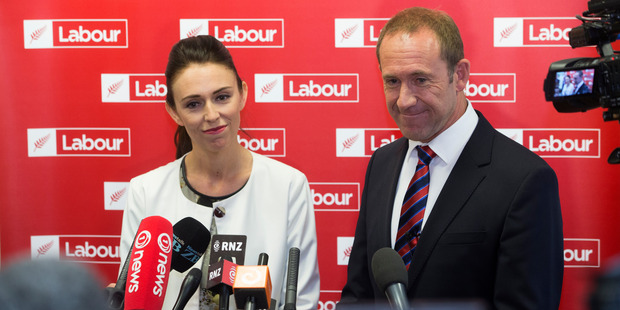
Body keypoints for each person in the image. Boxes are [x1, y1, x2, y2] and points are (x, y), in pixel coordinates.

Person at [339, 7, 563, 309]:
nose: (405, 99)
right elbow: (359, 294)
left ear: (459, 75)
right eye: (392, 81)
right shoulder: (381, 163)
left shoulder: (524, 179)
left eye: (420, 79)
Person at [118, 35, 320, 310]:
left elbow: (302, 300)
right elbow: (133, 293)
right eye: (193, 104)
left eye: (222, 97)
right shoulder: (146, 190)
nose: (211, 115)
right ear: (174, 112)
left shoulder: (288, 186)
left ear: (243, 94)